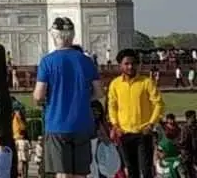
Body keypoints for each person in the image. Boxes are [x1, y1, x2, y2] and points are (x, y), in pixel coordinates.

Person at [34, 18, 102, 178]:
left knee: (63, 173)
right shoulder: (86, 61)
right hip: (82, 123)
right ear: (72, 36)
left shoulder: (47, 61)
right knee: (80, 173)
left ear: (54, 36)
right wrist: (83, 99)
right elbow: (99, 93)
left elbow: (38, 95)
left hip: (57, 124)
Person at [109, 49, 163, 178]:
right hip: (124, 133)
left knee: (146, 170)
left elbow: (159, 104)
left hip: (143, 133)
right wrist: (115, 125)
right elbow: (112, 107)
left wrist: (151, 124)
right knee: (130, 170)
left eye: (133, 63)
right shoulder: (115, 84)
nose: (130, 67)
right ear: (120, 65)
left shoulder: (146, 82)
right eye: (126, 64)